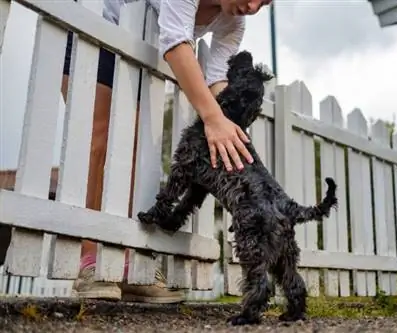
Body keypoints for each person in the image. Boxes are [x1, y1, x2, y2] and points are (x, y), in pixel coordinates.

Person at [61, 0, 271, 302]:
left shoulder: (233, 22)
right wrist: (212, 119)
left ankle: (129, 264)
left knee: (134, 153)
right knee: (100, 141)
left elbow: (216, 79)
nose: (252, 6)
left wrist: (230, 127)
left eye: (264, 2)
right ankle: (90, 263)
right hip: (99, 29)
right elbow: (175, 44)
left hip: (139, 49)